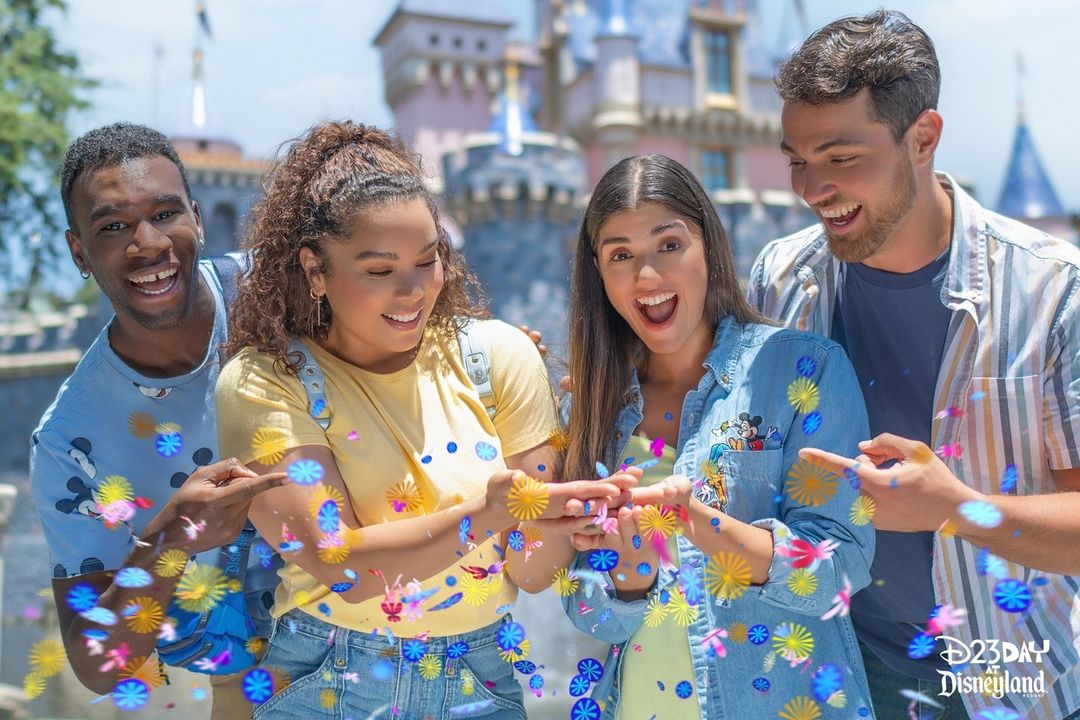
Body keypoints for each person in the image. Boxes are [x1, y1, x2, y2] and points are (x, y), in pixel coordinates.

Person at [213, 121, 633, 719]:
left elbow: (532, 572)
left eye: (428, 260)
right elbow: (343, 567)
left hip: (480, 681)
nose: (412, 290)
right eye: (379, 270)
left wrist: (567, 521)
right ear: (314, 270)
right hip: (327, 683)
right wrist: (489, 512)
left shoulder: (500, 355)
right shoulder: (263, 382)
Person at [751, 10, 1080, 718]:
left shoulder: (1054, 290)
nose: (811, 190)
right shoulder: (779, 279)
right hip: (836, 674)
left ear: (923, 137)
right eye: (798, 161)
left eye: (840, 159)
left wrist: (958, 509)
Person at [559, 154, 876, 719]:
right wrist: (633, 573)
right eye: (621, 255)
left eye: (670, 245)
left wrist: (700, 525)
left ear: (708, 243)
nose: (648, 277)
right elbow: (587, 612)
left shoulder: (805, 370)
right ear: (599, 273)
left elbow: (836, 573)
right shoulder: (590, 406)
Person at [29, 123, 288, 715]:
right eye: (113, 226)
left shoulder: (287, 294)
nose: (148, 244)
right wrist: (171, 539)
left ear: (197, 217)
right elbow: (97, 666)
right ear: (79, 252)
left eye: (165, 213)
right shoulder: (71, 442)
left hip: (386, 649)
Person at [803, 433, 1080, 576]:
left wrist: (958, 510)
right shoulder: (788, 328)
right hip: (847, 646)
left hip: (1015, 654)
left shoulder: (1052, 325)